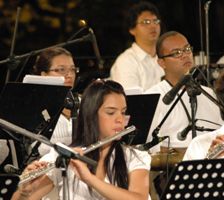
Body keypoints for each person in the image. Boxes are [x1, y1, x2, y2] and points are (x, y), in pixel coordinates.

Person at [12, 80, 151, 200]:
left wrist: (90, 179)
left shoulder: (135, 157)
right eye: (111, 112)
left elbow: (139, 198)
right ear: (91, 115)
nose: (120, 119)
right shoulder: (62, 157)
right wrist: (25, 192)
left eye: (123, 112)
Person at [145, 31, 223, 154]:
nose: (185, 55)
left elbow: (221, 132)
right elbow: (149, 146)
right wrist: (191, 153)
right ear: (161, 63)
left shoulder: (209, 93)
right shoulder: (152, 97)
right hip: (172, 168)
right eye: (176, 53)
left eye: (187, 49)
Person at [32, 47, 78, 156]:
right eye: (61, 70)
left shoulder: (83, 102)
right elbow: (31, 150)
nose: (70, 75)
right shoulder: (33, 108)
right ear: (43, 75)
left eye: (72, 69)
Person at [110, 1, 164, 91]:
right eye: (146, 22)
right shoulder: (126, 61)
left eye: (155, 21)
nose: (153, 26)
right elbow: (131, 101)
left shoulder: (166, 57)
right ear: (132, 29)